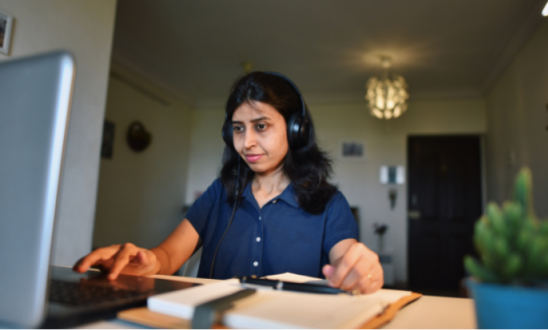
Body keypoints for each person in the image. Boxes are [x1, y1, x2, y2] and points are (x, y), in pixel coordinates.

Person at [74, 71, 383, 294]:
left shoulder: (330, 204)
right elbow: (167, 257)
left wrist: (360, 268)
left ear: (295, 130)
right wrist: (145, 262)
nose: (246, 142)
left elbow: (345, 257)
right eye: (238, 128)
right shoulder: (218, 194)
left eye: (260, 126)